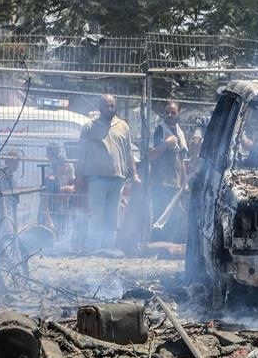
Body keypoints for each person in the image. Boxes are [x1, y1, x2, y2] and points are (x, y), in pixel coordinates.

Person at [77, 94, 140, 252]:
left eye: (112, 105)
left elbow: (129, 152)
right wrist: (79, 177)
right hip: (97, 179)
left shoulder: (123, 126)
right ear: (100, 107)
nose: (110, 109)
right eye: (106, 105)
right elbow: (82, 154)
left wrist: (134, 173)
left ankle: (108, 247)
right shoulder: (89, 127)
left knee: (112, 216)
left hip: (118, 178)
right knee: (97, 216)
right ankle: (93, 247)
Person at [148, 101, 188, 242]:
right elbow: (151, 155)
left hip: (175, 185)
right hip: (161, 184)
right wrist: (165, 144)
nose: (170, 115)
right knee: (160, 218)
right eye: (167, 113)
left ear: (178, 114)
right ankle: (157, 246)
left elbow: (181, 160)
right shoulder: (158, 130)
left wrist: (185, 182)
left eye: (173, 112)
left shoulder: (179, 132)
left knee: (173, 218)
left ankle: (168, 246)